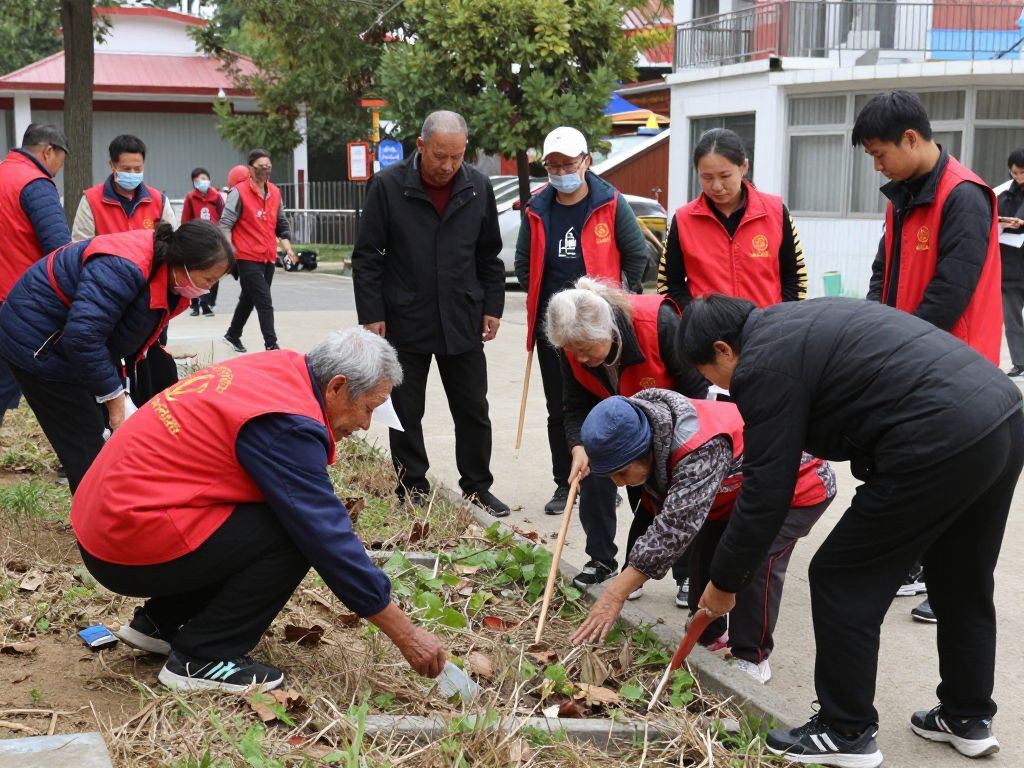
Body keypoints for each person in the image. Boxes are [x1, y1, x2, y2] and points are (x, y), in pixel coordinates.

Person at [680, 295, 1021, 766]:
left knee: (840, 576)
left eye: (711, 375)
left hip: (936, 433)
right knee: (961, 576)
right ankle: (967, 716)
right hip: (1000, 416)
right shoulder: (796, 321)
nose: (720, 388)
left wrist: (724, 582)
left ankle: (846, 730)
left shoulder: (760, 365)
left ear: (723, 349)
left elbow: (766, 490)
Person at [70, 328, 447, 693]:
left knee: (271, 513)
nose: (365, 424)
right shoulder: (287, 423)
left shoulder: (282, 369)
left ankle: (161, 622)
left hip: (109, 517)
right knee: (295, 532)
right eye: (368, 408)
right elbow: (327, 538)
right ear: (336, 386)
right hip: (124, 539)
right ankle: (203, 656)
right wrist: (406, 633)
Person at [854, 90, 1003, 621]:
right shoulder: (903, 194)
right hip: (909, 355)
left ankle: (951, 590)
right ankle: (917, 566)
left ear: (911, 138)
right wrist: (871, 329)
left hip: (954, 364)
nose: (877, 165)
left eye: (880, 154)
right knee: (910, 466)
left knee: (955, 480)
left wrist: (896, 347)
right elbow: (883, 272)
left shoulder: (964, 196)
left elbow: (949, 293)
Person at [568, 392, 834, 685]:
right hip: (733, 495)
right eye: (611, 477)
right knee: (706, 551)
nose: (619, 483)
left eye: (621, 473)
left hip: (795, 488)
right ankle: (709, 634)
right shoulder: (639, 422)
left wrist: (614, 594)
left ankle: (752, 657)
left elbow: (672, 531)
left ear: (645, 449)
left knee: (755, 561)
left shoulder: (698, 446)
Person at [352, 110, 509, 517]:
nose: (448, 165)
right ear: (420, 146)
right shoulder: (388, 186)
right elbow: (368, 256)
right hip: (406, 316)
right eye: (440, 155)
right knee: (406, 409)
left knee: (473, 408)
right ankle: (412, 487)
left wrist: (492, 306)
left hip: (462, 315)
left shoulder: (477, 187)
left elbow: (488, 255)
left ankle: (477, 487)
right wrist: (372, 312)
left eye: (457, 156)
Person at [0, 222, 233, 492]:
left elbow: (121, 337)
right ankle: (98, 514)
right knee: (86, 444)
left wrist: (121, 391)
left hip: (74, 343)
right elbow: (84, 336)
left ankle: (118, 501)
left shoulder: (167, 277)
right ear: (183, 264)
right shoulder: (123, 267)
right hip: (39, 342)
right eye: (209, 279)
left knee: (109, 436)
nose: (209, 288)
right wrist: (114, 397)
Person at [544, 277, 707, 604]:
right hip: (617, 423)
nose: (581, 358)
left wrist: (673, 442)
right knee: (595, 469)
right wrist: (578, 446)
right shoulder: (572, 346)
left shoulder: (658, 324)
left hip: (672, 422)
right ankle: (603, 559)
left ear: (607, 330)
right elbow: (574, 405)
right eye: (574, 351)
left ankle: (688, 572)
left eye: (586, 349)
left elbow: (695, 389)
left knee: (676, 496)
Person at [514, 126, 649, 515]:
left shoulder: (610, 202)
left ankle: (613, 472)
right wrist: (544, 303)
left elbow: (636, 254)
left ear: (586, 161)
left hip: (599, 326)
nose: (560, 172)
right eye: (553, 166)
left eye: (568, 164)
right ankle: (565, 481)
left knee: (610, 401)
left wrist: (618, 303)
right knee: (561, 407)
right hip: (557, 329)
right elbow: (524, 262)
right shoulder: (537, 208)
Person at [658, 128, 807, 310]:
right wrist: (695, 318)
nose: (716, 186)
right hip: (705, 328)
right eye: (706, 177)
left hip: (767, 325)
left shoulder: (776, 211)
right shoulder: (683, 220)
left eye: (725, 176)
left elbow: (795, 278)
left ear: (744, 167)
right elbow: (669, 285)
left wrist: (779, 319)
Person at [0, 124, 71, 428]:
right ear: (48, 151)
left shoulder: (3, 173)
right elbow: (60, 251)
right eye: (60, 162)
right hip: (18, 304)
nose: (57, 170)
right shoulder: (35, 184)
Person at [220, 149, 297, 354]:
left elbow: (281, 224)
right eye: (260, 167)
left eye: (268, 167)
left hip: (268, 256)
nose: (265, 170)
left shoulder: (275, 192)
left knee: (249, 298)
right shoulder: (239, 192)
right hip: (246, 256)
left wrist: (288, 249)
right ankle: (271, 344)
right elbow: (225, 223)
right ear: (250, 168)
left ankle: (233, 334)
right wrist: (230, 251)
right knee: (264, 300)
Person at [71, 134, 177, 240]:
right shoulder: (91, 201)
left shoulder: (159, 201)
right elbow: (80, 245)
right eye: (126, 169)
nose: (132, 173)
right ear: (112, 165)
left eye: (137, 169)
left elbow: (173, 242)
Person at [181, 167, 226, 317]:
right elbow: (186, 219)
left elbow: (223, 218)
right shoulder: (190, 198)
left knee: (213, 272)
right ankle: (195, 304)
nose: (202, 182)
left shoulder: (217, 197)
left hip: (214, 240)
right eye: (198, 180)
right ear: (194, 182)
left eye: (204, 179)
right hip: (196, 240)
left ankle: (207, 303)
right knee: (195, 272)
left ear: (209, 180)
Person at [998, 148, 1024, 378]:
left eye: (1023, 173)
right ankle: (1020, 362)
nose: (1019, 177)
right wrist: (1003, 222)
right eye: (1015, 173)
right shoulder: (1005, 194)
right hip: (1010, 265)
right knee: (1012, 319)